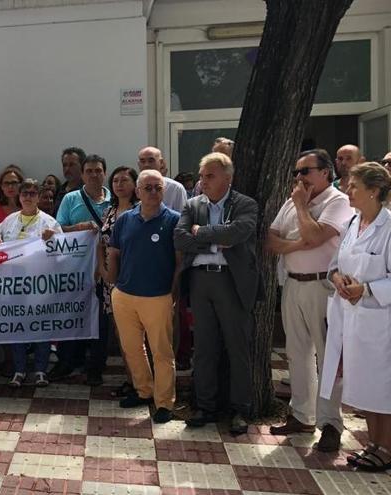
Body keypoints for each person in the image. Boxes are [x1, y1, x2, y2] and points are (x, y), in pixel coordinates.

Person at [267, 149, 354, 452]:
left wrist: (303, 208)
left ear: (325, 172)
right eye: (296, 172)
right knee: (297, 353)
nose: (299, 178)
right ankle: (302, 415)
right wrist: (297, 243)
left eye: (305, 171)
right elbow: (271, 239)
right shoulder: (292, 201)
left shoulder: (338, 201)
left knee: (328, 357)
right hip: (293, 285)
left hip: (323, 287)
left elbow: (316, 236)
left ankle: (330, 423)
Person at [174, 152, 258, 435]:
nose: (203, 181)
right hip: (200, 281)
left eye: (210, 176)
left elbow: (237, 233)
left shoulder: (245, 203)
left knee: (237, 347)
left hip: (231, 282)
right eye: (201, 176)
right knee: (205, 348)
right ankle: (206, 406)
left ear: (227, 178)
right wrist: (213, 241)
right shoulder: (192, 204)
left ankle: (239, 409)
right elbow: (180, 237)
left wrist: (202, 232)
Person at [323, 162, 391, 471]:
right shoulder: (353, 223)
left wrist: (365, 289)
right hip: (352, 318)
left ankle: (387, 448)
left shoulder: (389, 228)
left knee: (383, 387)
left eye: (354, 187)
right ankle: (374, 444)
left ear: (374, 192)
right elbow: (336, 262)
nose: (348, 191)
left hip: (380, 322)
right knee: (365, 385)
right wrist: (336, 278)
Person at [106, 169, 180, 424]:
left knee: (161, 351)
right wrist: (114, 283)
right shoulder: (125, 219)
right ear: (137, 191)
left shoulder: (174, 221)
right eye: (147, 187)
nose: (152, 192)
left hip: (158, 296)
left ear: (163, 190)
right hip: (124, 295)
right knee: (132, 349)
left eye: (157, 187)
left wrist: (173, 293)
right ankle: (144, 391)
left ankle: (164, 402)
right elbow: (114, 251)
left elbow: (180, 262)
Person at [51, 154, 112, 385]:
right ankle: (67, 362)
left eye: (98, 170)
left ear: (104, 173)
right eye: (89, 171)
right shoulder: (70, 198)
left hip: (105, 270)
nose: (94, 175)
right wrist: (78, 227)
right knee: (71, 315)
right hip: (74, 269)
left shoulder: (113, 199)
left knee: (101, 321)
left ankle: (96, 367)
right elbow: (57, 229)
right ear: (83, 174)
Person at [0, 179, 61, 387]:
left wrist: (54, 239)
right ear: (19, 196)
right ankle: (20, 370)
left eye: (33, 193)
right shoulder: (8, 221)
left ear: (39, 196)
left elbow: (63, 253)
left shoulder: (50, 222)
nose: (28, 197)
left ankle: (41, 370)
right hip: (14, 280)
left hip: (40, 280)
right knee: (17, 326)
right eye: (25, 193)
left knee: (41, 325)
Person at [97, 166, 139, 398]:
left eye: (125, 180)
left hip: (134, 280)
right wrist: (101, 270)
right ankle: (131, 380)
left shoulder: (140, 211)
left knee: (137, 335)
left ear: (135, 184)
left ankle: (142, 382)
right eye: (115, 181)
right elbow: (100, 243)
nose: (120, 184)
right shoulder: (109, 212)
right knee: (122, 334)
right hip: (110, 283)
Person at [137, 147, 188, 213]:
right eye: (142, 161)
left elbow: (182, 218)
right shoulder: (134, 186)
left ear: (161, 162)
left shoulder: (175, 188)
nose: (146, 165)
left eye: (151, 161)